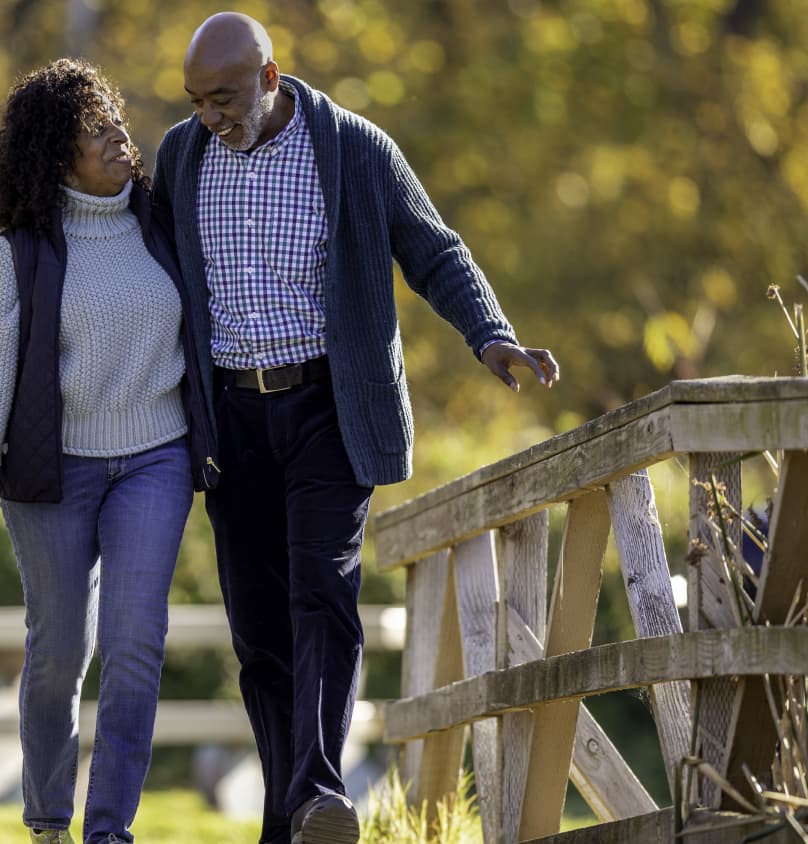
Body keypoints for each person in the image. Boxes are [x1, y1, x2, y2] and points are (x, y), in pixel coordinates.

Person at [151, 13, 560, 844]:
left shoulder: (354, 149)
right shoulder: (181, 156)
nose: (209, 118)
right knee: (259, 632)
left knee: (322, 594)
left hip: (330, 408)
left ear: (270, 78)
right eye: (196, 102)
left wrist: (492, 335)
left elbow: (434, 249)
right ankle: (291, 815)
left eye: (224, 99)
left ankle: (319, 790)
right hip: (230, 419)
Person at [0, 58, 218, 844]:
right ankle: (47, 823)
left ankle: (109, 830)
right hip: (54, 474)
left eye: (114, 122)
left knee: (135, 641)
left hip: (156, 460)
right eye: (93, 131)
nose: (117, 139)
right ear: (54, 156)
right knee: (60, 653)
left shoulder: (160, 223)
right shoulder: (21, 257)